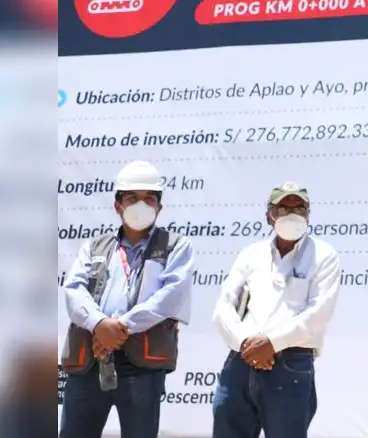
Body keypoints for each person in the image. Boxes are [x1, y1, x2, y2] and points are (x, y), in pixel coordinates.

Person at [60, 160, 195, 438]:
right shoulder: (94, 246)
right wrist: (99, 324)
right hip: (90, 361)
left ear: (159, 207)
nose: (140, 205)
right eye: (132, 198)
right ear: (117, 206)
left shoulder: (176, 246)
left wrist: (118, 329)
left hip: (141, 366)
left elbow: (170, 297)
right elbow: (74, 290)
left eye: (149, 198)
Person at [211, 182, 341, 438]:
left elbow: (319, 312)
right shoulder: (251, 253)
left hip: (290, 364)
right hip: (240, 360)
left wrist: (272, 343)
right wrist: (246, 344)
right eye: (284, 208)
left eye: (299, 207)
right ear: (269, 215)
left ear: (308, 214)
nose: (292, 214)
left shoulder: (324, 255)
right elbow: (224, 306)